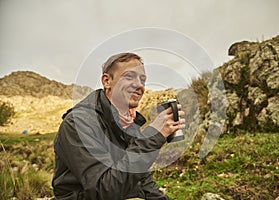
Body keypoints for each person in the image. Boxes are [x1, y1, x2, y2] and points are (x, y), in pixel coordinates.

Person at [52, 52, 185, 199]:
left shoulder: (129, 124)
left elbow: (141, 179)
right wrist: (152, 136)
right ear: (107, 81)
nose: (139, 85)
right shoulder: (79, 124)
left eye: (143, 79)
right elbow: (104, 190)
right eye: (129, 76)